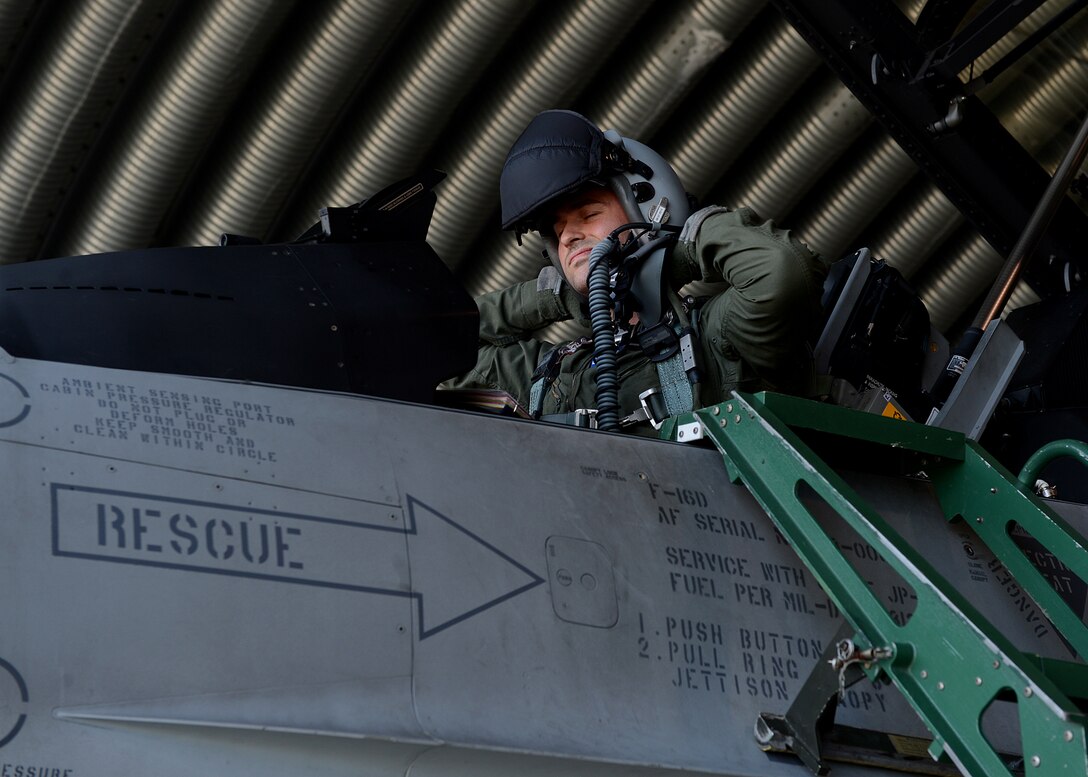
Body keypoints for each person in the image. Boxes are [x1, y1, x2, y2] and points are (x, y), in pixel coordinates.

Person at [444, 110, 827, 433]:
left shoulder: (715, 334)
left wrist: (661, 254)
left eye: (589, 214)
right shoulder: (551, 374)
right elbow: (438, 343)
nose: (570, 237)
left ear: (643, 209)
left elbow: (780, 274)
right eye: (557, 232)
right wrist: (560, 293)